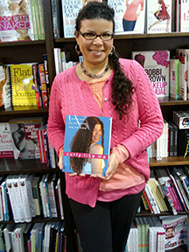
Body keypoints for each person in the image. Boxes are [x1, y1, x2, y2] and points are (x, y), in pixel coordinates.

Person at [47, 2, 164, 252]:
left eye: (105, 35)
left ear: (113, 37)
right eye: (89, 34)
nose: (97, 42)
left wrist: (119, 153)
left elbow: (154, 124)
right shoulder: (62, 82)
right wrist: (60, 150)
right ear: (77, 36)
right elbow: (54, 127)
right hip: (82, 185)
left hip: (127, 184)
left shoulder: (132, 72)